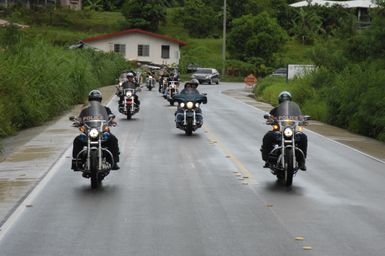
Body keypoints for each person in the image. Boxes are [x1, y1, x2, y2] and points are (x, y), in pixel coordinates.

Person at [72, 90, 120, 171]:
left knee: (113, 139)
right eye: (92, 99)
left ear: (100, 100)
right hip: (88, 133)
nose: (94, 101)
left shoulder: (105, 109)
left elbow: (110, 116)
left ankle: (114, 162)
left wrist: (111, 120)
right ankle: (77, 162)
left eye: (96, 100)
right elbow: (80, 119)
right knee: (77, 140)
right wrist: (77, 122)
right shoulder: (85, 110)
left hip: (102, 133)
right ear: (89, 100)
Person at [260, 91, 308, 170]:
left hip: (292, 131)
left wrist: (303, 119)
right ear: (280, 101)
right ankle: (267, 159)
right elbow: (270, 117)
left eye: (286, 101)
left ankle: (301, 162)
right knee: (268, 136)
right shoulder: (275, 110)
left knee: (303, 137)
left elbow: (300, 117)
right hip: (278, 131)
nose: (285, 103)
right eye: (283, 101)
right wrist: (270, 119)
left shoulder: (294, 111)